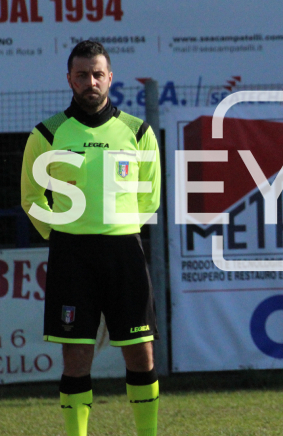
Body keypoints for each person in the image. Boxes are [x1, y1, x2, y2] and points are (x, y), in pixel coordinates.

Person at [20, 41, 161, 436]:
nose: (91, 82)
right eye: (82, 75)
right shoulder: (47, 133)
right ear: (70, 79)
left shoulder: (138, 132)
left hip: (124, 252)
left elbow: (150, 196)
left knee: (141, 353)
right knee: (77, 357)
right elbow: (31, 197)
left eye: (98, 74)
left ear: (110, 78)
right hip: (72, 256)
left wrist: (120, 228)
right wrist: (62, 233)